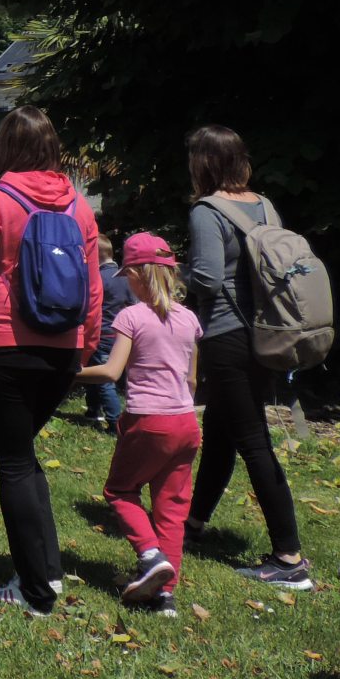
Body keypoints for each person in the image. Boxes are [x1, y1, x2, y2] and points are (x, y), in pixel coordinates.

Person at [0, 105, 103, 617]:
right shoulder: (79, 206)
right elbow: (94, 290)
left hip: (7, 344)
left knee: (12, 462)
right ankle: (46, 568)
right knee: (25, 456)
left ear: (4, 147)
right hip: (61, 348)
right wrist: (85, 348)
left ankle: (33, 592)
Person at [183, 124, 313, 588]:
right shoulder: (265, 206)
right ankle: (193, 525)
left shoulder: (206, 211)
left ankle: (289, 557)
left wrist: (169, 275)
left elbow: (207, 279)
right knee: (220, 430)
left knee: (253, 441)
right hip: (264, 336)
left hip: (226, 336)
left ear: (202, 164)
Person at [77, 233, 201, 615]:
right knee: (172, 509)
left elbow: (112, 371)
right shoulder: (190, 319)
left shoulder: (132, 317)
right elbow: (193, 381)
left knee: (120, 491)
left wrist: (70, 374)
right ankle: (166, 596)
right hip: (186, 422)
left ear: (133, 274)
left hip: (148, 421)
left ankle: (150, 556)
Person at [83, 237, 133, 431]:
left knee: (104, 378)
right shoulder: (127, 277)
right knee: (96, 370)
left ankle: (114, 421)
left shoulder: (98, 279)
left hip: (101, 333)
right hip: (122, 335)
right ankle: (93, 409)